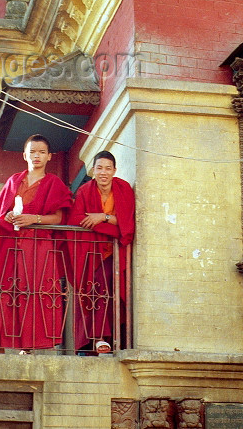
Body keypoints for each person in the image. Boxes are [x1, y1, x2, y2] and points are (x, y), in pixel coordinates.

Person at [0, 134, 73, 352]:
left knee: (33, 291)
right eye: (32, 152)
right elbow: (0, 213)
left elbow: (60, 218)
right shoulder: (14, 181)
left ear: (49, 157)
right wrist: (7, 217)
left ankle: (30, 345)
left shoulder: (54, 183)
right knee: (4, 289)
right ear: (25, 155)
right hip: (10, 244)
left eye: (42, 152)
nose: (37, 156)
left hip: (37, 246)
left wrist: (35, 219)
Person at [68, 151, 135, 354]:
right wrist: (111, 222)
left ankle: (104, 338)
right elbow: (79, 221)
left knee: (103, 285)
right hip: (91, 252)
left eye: (108, 168)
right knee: (93, 288)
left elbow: (127, 224)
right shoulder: (84, 191)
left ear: (115, 170)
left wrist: (101, 217)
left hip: (115, 253)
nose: (103, 173)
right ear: (93, 170)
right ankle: (95, 341)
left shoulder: (123, 189)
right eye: (99, 168)